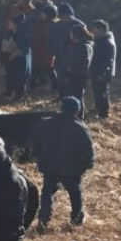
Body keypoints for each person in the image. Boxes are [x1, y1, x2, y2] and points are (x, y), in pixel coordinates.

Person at [32, 97, 94, 232]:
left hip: (49, 166)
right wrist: (86, 165)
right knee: (75, 193)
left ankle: (43, 220)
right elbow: (88, 151)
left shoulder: (45, 123)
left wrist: (38, 157)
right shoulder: (80, 128)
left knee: (47, 192)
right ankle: (76, 219)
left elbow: (35, 144)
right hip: (71, 168)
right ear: (77, 110)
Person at [61, 23, 94, 118]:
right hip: (79, 74)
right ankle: (79, 115)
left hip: (77, 75)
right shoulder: (84, 44)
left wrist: (71, 69)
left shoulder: (82, 46)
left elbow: (83, 62)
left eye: (71, 33)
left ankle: (79, 116)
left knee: (77, 96)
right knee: (77, 95)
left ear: (75, 34)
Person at [51, 4, 84, 96]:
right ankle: (61, 95)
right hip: (59, 54)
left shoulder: (78, 25)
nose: (62, 18)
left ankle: (69, 97)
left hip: (72, 56)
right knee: (60, 77)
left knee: (69, 78)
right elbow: (55, 38)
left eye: (63, 16)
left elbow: (83, 40)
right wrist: (54, 50)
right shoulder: (58, 25)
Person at [90, 20, 117, 120]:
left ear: (101, 29)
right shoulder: (100, 40)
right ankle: (98, 109)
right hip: (96, 71)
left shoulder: (107, 42)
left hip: (102, 73)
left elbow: (107, 61)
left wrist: (102, 74)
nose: (92, 31)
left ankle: (103, 113)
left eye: (94, 29)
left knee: (102, 92)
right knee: (97, 91)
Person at [30, 5, 58, 91]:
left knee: (48, 68)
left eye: (43, 13)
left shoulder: (51, 25)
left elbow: (45, 36)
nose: (41, 14)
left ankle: (55, 86)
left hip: (46, 51)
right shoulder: (40, 23)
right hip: (38, 49)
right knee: (36, 67)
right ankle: (32, 86)